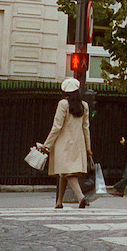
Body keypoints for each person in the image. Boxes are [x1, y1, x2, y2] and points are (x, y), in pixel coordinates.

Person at [38, 77, 93, 209]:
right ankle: (59, 202)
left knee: (68, 172)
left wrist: (47, 144)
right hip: (78, 142)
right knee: (63, 171)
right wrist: (88, 147)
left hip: (63, 143)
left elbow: (57, 126)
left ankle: (80, 197)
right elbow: (86, 128)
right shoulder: (84, 105)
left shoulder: (63, 104)